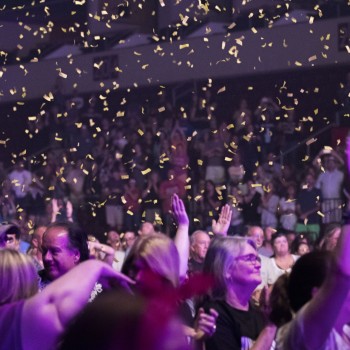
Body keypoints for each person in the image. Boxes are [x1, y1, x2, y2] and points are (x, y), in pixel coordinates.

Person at [0, 249, 133, 350]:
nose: (47, 258)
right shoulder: (10, 320)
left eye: (55, 251)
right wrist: (94, 266)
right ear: (28, 280)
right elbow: (55, 305)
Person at [200, 236, 267, 350]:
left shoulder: (259, 311)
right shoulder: (213, 314)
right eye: (249, 258)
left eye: (257, 259)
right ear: (226, 268)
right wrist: (271, 327)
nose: (258, 265)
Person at [39, 222, 89, 288]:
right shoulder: (32, 285)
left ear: (76, 255)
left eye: (54, 251)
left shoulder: (97, 288)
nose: (46, 258)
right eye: (44, 251)